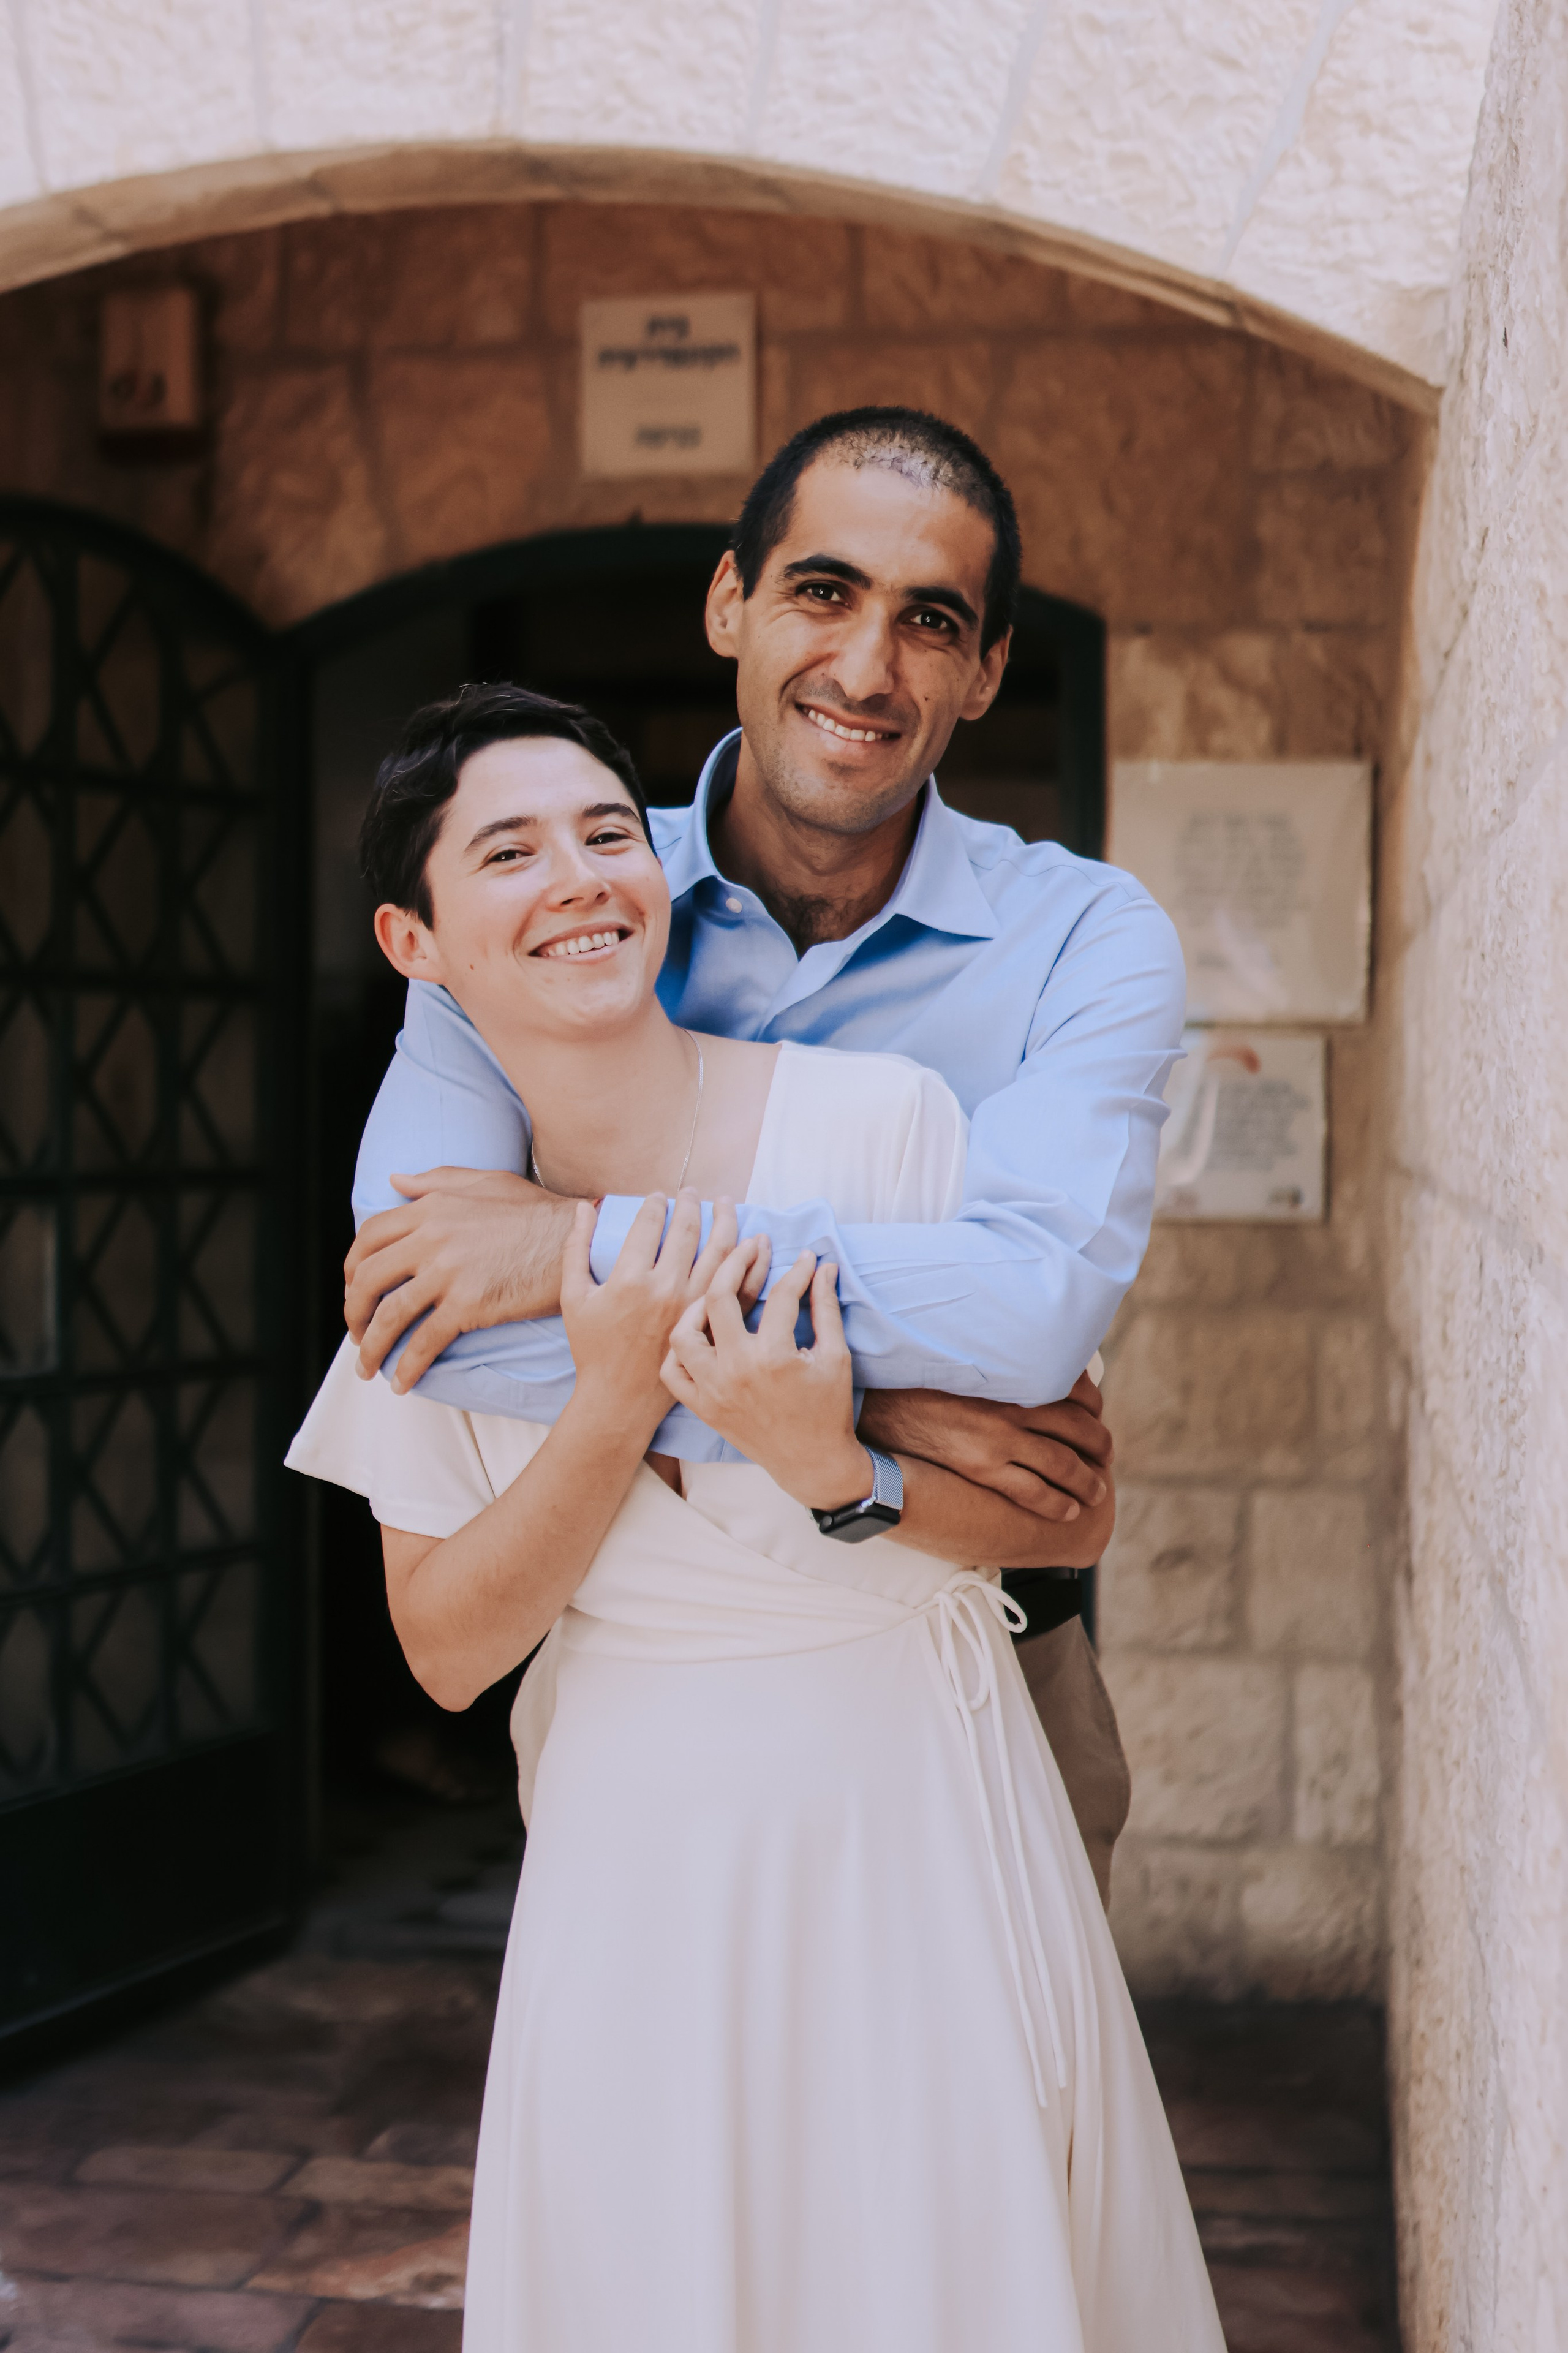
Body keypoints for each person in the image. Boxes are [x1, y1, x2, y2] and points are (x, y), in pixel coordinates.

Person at [287, 687, 1224, 2349]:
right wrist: (612, 1397)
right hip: (636, 1864)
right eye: (507, 851)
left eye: (603, 834)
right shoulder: (430, 1243)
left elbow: (1050, 1510)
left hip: (915, 1817)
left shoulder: (880, 1129)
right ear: (414, 941)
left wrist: (828, 1463)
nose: (576, 876)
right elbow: (442, 1651)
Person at [341, 407, 1186, 1901]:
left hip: (975, 1636)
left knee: (986, 2121)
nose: (866, 668)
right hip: (650, 1678)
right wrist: (883, 1429)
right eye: (822, 591)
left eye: (930, 621)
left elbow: (1033, 1309)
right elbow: (426, 1314)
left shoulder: (1084, 937)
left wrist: (570, 1251)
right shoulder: (556, 909)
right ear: (729, 600)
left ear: (987, 670)